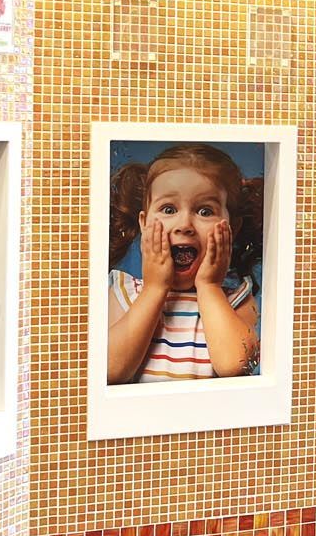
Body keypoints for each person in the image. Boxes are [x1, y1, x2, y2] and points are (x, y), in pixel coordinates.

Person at [106, 143, 261, 383]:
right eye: (169, 209)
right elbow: (109, 371)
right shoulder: (124, 292)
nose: (184, 225)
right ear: (144, 224)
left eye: (205, 211)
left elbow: (236, 366)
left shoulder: (236, 300)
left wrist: (209, 287)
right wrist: (154, 289)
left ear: (232, 228)